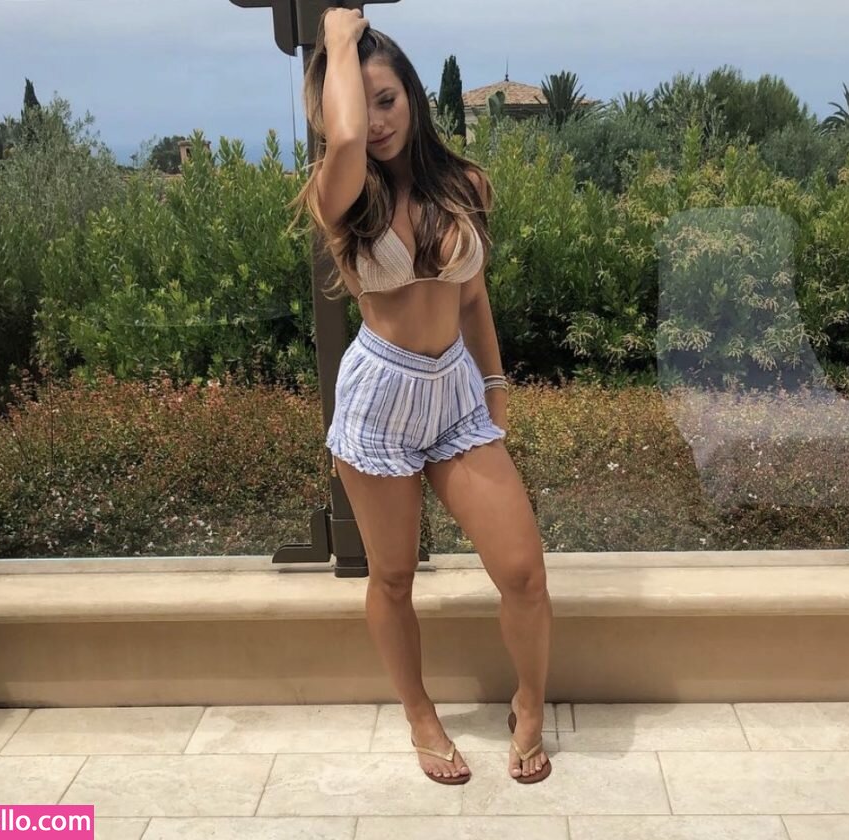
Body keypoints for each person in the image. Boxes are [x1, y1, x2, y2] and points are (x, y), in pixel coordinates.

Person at [287, 7, 553, 786]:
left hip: (457, 398)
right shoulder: (339, 192)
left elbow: (472, 298)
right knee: (394, 577)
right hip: (380, 403)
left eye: (388, 100)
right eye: (360, 103)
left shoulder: (464, 183)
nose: (374, 122)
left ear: (412, 95)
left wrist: (495, 384)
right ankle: (419, 716)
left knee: (523, 572)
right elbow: (343, 141)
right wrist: (338, 37)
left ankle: (529, 704)